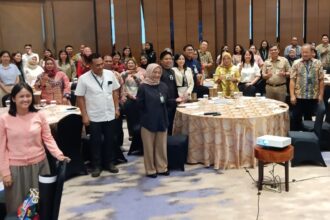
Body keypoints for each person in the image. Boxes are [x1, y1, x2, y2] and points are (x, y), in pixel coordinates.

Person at [0, 82, 69, 214]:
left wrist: (58, 154)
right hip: (16, 170)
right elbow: (1, 148)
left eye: (28, 96)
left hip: (39, 167)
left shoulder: (39, 115)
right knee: (19, 208)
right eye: (21, 96)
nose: (25, 99)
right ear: (13, 98)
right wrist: (5, 173)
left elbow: (48, 139)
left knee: (36, 206)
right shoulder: (4, 119)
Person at [75, 53, 121, 177]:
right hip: (94, 114)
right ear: (90, 65)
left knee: (110, 139)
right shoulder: (83, 79)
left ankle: (110, 163)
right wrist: (84, 115)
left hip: (110, 113)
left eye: (102, 64)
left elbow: (115, 91)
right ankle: (96, 165)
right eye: (97, 65)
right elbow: (80, 98)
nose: (100, 67)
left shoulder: (110, 74)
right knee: (95, 141)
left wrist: (117, 108)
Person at [136, 64, 169, 178]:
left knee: (161, 146)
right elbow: (139, 105)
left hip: (162, 119)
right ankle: (150, 170)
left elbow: (167, 102)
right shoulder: (143, 87)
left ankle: (162, 167)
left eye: (159, 72)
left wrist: (178, 100)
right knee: (149, 147)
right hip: (148, 121)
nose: (157, 75)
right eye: (154, 72)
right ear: (149, 72)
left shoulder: (163, 86)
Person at [290, 44, 325, 131]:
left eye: (307, 52)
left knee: (308, 119)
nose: (304, 54)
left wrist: (321, 95)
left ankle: (307, 138)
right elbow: (292, 80)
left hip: (312, 97)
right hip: (299, 96)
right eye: (303, 52)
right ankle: (296, 136)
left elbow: (321, 80)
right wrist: (292, 95)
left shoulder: (318, 63)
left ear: (312, 52)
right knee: (295, 118)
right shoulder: (296, 63)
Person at [121, 58, 145, 138]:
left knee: (139, 117)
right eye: (129, 63)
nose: (130, 65)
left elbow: (142, 85)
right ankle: (131, 134)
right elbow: (122, 85)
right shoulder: (124, 74)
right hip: (128, 97)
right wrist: (127, 94)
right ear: (126, 65)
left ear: (135, 64)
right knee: (130, 117)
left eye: (132, 63)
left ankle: (140, 134)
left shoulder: (140, 73)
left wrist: (135, 77)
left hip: (138, 98)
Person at [160, 51, 181, 135]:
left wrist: (178, 99)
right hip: (165, 104)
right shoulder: (160, 72)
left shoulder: (172, 71)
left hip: (174, 103)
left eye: (170, 59)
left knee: (172, 125)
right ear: (161, 61)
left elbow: (174, 86)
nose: (168, 60)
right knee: (166, 127)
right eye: (166, 59)